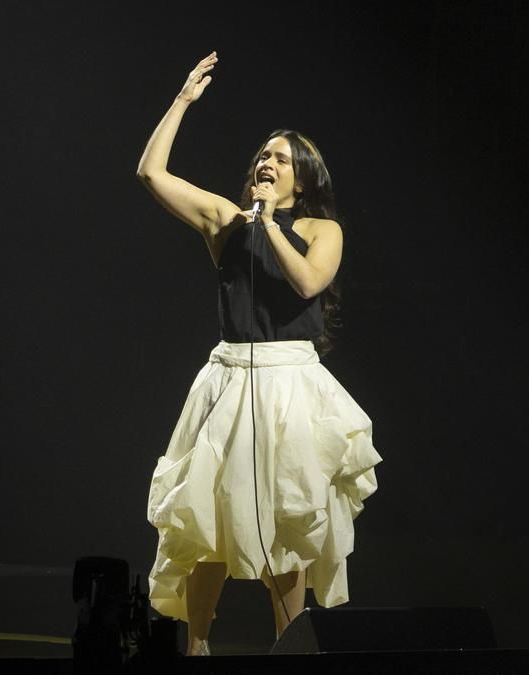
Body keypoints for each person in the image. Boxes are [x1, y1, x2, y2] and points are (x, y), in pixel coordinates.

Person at [136, 52, 382, 655]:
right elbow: (151, 173)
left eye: (281, 158)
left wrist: (270, 222)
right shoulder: (225, 220)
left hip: (290, 382)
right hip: (228, 377)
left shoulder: (322, 229)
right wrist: (182, 103)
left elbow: (306, 284)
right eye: (263, 155)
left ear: (303, 178)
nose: (267, 163)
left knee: (287, 518)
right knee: (207, 519)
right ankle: (196, 646)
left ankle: (289, 646)